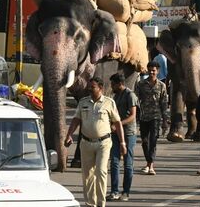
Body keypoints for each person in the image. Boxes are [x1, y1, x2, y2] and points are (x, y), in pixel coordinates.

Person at [64, 77, 126, 207]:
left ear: (101, 88)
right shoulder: (83, 102)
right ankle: (90, 203)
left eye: (93, 87)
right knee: (88, 175)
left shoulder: (109, 102)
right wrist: (69, 135)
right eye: (89, 87)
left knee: (101, 171)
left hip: (103, 143)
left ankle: (100, 203)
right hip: (86, 143)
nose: (90, 89)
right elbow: (76, 119)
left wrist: (122, 143)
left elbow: (118, 123)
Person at [107, 73, 138, 202]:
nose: (111, 87)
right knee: (114, 162)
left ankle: (126, 191)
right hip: (115, 133)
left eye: (113, 84)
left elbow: (132, 115)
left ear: (120, 83)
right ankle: (114, 191)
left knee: (127, 163)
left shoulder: (130, 95)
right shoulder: (115, 96)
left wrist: (119, 124)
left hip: (128, 133)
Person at [135, 61, 169, 175]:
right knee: (145, 141)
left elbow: (164, 103)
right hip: (144, 116)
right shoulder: (141, 84)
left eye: (154, 70)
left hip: (156, 117)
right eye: (149, 70)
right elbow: (136, 100)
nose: (151, 72)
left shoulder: (162, 86)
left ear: (158, 71)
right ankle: (148, 162)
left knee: (153, 141)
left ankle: (150, 165)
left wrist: (165, 121)